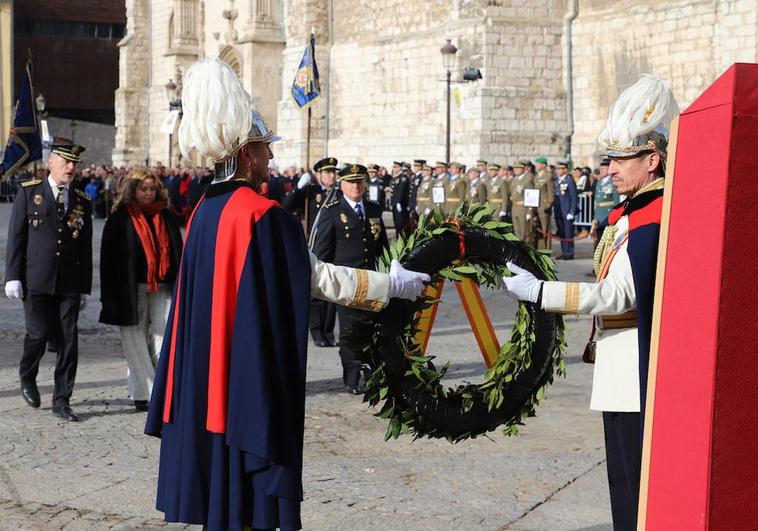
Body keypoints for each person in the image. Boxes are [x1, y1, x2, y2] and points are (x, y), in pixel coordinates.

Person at [144, 58, 429, 531]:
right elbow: (316, 279)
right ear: (245, 154)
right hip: (244, 380)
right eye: (264, 149)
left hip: (207, 377)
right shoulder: (261, 214)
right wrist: (392, 285)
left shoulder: (202, 212)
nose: (271, 159)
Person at [503, 74, 679, 531]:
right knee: (624, 486)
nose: (611, 170)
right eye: (610, 160)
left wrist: (544, 293)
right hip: (620, 364)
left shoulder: (652, 213)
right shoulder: (635, 210)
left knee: (638, 492)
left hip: (638, 365)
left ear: (652, 159)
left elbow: (621, 293)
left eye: (621, 160)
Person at [4, 139, 92, 422]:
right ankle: (27, 375)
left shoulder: (81, 200)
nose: (71, 167)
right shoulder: (31, 193)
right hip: (36, 278)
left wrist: (85, 287)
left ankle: (62, 400)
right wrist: (12, 277)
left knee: (69, 342)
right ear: (50, 162)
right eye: (66, 161)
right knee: (38, 334)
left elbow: (85, 247)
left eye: (74, 163)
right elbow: (17, 238)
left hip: (68, 281)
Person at [99, 170, 183, 411]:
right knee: (134, 338)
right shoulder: (120, 218)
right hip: (129, 288)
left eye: (151, 189)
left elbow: (177, 251)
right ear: (133, 190)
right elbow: (109, 260)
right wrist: (109, 297)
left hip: (162, 285)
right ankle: (147, 392)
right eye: (143, 189)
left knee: (163, 334)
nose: (148, 193)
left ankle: (159, 389)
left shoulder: (166, 215)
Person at [313, 164, 388, 393]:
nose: (356, 186)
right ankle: (353, 378)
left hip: (373, 279)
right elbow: (322, 251)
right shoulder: (332, 210)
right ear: (342, 184)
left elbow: (382, 246)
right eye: (351, 182)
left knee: (372, 328)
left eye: (360, 182)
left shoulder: (374, 210)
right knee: (349, 331)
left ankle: (373, 374)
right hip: (347, 282)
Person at [284, 157, 340, 347]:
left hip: (335, 247)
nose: (332, 175)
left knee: (333, 289)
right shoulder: (311, 192)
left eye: (333, 172)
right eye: (327, 172)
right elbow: (287, 206)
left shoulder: (339, 195)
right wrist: (299, 188)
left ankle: (328, 331)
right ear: (319, 175)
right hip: (315, 246)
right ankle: (316, 332)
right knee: (317, 290)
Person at [553, 161, 579, 259]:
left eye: (560, 169)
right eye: (557, 169)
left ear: (565, 170)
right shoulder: (557, 181)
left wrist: (572, 211)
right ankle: (564, 251)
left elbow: (574, 197)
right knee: (562, 232)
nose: (558, 171)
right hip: (559, 211)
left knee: (568, 233)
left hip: (567, 212)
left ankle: (569, 252)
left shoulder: (569, 180)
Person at [507, 160, 537, 242]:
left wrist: (530, 211)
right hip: (515, 207)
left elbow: (532, 195)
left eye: (518, 168)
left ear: (523, 169)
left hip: (524, 208)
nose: (516, 170)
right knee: (517, 232)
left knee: (525, 232)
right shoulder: (513, 180)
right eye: (515, 168)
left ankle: (527, 252)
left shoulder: (527, 179)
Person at [533, 156, 556, 250]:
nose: (536, 165)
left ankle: (546, 249)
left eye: (538, 164)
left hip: (543, 205)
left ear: (543, 165)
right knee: (538, 229)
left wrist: (549, 205)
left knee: (545, 229)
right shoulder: (536, 176)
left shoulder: (548, 176)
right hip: (536, 205)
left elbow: (551, 192)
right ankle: (540, 248)